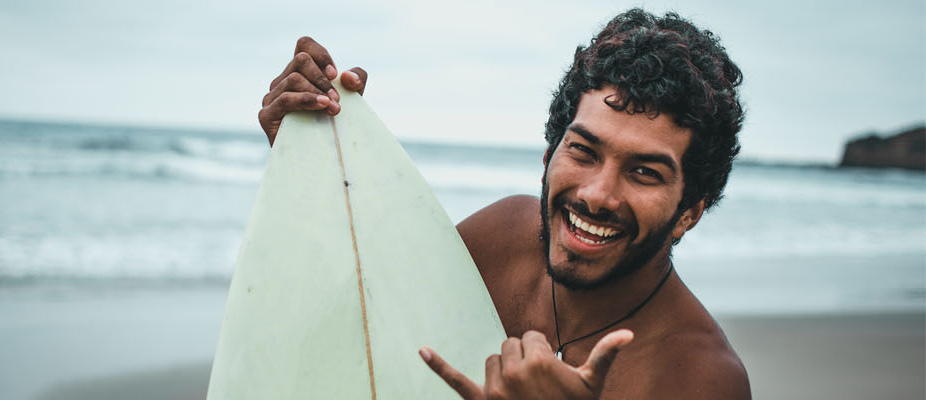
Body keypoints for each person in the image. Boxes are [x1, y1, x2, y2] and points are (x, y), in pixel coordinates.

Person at [257, 9, 750, 399]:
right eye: (583, 151)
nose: (597, 194)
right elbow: (362, 316)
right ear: (548, 157)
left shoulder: (702, 379)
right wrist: (308, 163)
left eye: (644, 172)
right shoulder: (502, 237)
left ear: (690, 210)